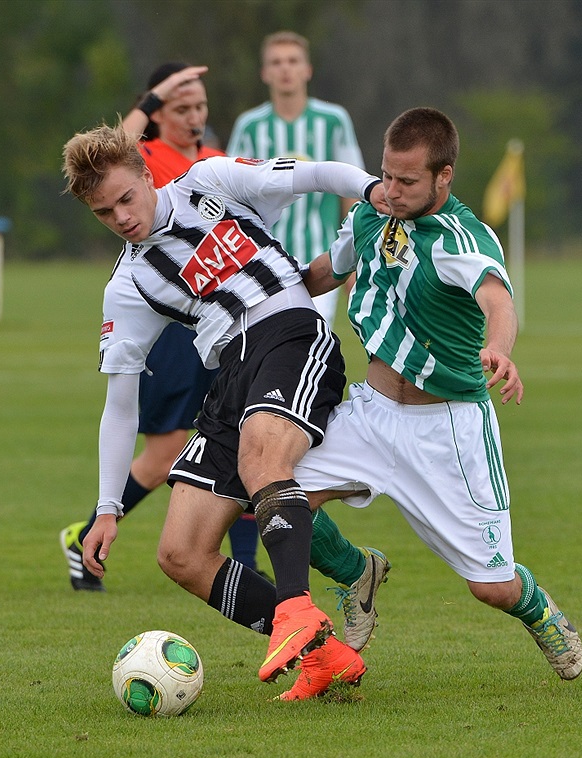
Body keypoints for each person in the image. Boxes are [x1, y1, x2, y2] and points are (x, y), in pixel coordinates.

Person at [60, 123, 392, 697]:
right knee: (180, 554)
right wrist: (108, 510)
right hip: (231, 376)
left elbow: (312, 173)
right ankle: (322, 656)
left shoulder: (208, 182)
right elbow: (119, 407)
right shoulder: (129, 284)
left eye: (125, 198)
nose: (120, 217)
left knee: (263, 462)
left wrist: (369, 190)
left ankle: (295, 609)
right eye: (103, 212)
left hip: (289, 332)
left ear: (146, 173)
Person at [290, 107, 582, 692]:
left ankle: (538, 610)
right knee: (275, 496)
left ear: (443, 177)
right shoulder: (371, 216)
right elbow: (324, 272)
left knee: (491, 588)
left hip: (446, 429)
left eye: (407, 182)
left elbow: (497, 299)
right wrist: (252, 293)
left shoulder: (463, 237)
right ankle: (356, 574)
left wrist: (499, 349)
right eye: (386, 176)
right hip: (371, 414)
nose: (390, 192)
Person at [60, 63, 261, 591]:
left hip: (223, 319)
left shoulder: (212, 163)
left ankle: (248, 562)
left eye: (200, 107)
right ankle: (90, 533)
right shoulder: (145, 157)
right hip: (170, 326)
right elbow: (101, 159)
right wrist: (152, 98)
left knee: (246, 435)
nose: (194, 116)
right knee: (166, 450)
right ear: (158, 117)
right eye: (181, 108)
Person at [227, 31, 364, 330]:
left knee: (309, 335)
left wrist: (353, 257)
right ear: (265, 73)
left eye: (293, 61)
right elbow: (230, 193)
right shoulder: (250, 126)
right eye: (276, 62)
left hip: (319, 256)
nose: (285, 69)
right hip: (262, 257)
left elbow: (351, 192)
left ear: (307, 69)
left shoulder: (333, 120)